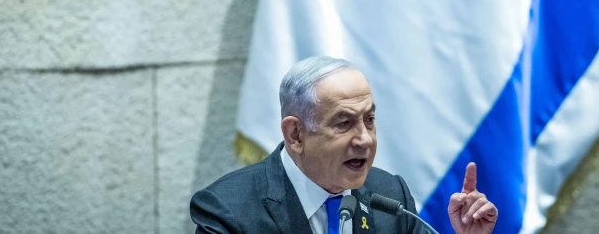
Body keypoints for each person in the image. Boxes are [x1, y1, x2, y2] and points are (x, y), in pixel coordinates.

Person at [190, 56, 498, 234]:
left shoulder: (390, 195)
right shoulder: (228, 211)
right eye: (344, 123)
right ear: (296, 134)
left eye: (369, 120)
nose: (364, 138)